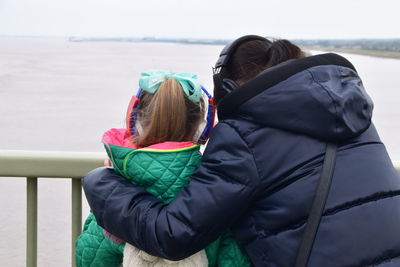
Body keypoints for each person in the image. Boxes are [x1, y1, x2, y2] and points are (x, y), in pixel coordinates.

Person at [83, 36, 400, 266]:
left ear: (231, 92)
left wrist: (101, 181)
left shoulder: (244, 137)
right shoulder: (355, 119)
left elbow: (172, 234)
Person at [76, 70, 250, 267]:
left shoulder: (116, 190)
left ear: (135, 118)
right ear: (204, 127)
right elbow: (233, 258)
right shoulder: (215, 185)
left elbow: (89, 257)